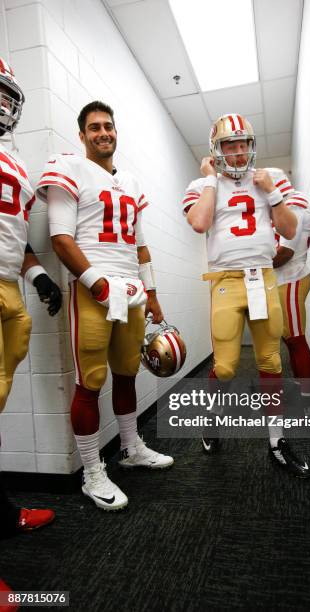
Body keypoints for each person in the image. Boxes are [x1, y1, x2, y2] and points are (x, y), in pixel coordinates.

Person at [36, 101, 173, 512]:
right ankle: (92, 471)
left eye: (108, 126)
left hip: (131, 290)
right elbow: (60, 237)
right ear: (82, 136)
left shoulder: (130, 181)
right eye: (93, 127)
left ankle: (130, 448)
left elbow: (141, 244)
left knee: (128, 373)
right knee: (89, 382)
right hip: (94, 289)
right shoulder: (70, 167)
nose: (103, 133)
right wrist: (96, 285)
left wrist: (150, 292)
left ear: (116, 132)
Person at [182, 113, 310, 478]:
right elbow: (199, 223)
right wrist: (210, 180)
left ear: (251, 146)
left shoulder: (272, 178)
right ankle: (211, 419)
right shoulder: (203, 183)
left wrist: (271, 190)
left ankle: (276, 441)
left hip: (264, 278)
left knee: (271, 361)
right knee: (225, 367)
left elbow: (290, 229)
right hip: (225, 281)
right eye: (229, 146)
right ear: (217, 150)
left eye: (243, 145)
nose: (238, 153)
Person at [0, 57, 62, 537]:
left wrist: (38, 275)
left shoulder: (14, 161)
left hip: (8, 285)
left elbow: (13, 235)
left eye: (6, 93)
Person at [272, 190, 310, 411]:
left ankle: (309, 402)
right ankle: (301, 388)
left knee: (297, 340)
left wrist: (256, 263)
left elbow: (285, 253)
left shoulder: (294, 205)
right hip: (284, 281)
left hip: (292, 279)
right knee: (289, 339)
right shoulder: (287, 206)